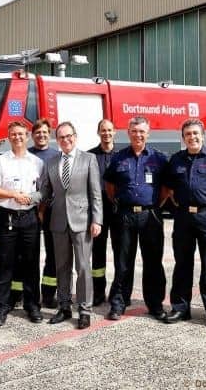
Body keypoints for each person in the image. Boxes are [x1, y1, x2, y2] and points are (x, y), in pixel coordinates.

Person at [161, 118, 206, 330]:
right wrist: (180, 207)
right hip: (184, 217)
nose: (192, 137)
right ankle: (180, 308)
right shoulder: (176, 160)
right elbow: (169, 189)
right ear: (183, 138)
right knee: (182, 263)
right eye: (188, 134)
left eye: (195, 133)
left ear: (203, 136)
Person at [39, 121, 103, 329]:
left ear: (75, 137)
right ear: (56, 140)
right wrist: (27, 197)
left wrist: (97, 220)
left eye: (69, 136)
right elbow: (45, 193)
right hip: (58, 221)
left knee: (83, 267)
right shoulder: (51, 162)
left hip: (82, 222)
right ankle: (64, 307)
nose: (65, 140)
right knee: (61, 267)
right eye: (61, 137)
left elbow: (95, 193)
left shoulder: (89, 159)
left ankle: (84, 309)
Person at [103, 116, 168, 321]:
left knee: (153, 262)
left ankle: (155, 304)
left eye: (142, 131)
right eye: (134, 131)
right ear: (128, 133)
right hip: (125, 215)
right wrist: (123, 203)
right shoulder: (119, 158)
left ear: (148, 134)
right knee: (123, 262)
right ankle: (119, 304)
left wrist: (154, 205)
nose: (138, 135)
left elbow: (166, 188)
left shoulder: (159, 158)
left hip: (150, 216)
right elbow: (110, 187)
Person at [0, 121, 44, 326]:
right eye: (13, 135)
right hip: (7, 217)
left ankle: (32, 305)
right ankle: (0, 308)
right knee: (5, 264)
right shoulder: (0, 162)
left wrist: (33, 200)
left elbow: (43, 191)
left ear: (27, 136)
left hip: (29, 218)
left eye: (21, 134)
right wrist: (12, 194)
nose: (17, 137)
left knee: (31, 264)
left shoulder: (37, 162)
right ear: (8, 138)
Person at [28, 119, 61, 308]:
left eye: (45, 132)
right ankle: (25, 294)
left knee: (53, 254)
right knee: (27, 254)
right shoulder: (26, 155)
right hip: (29, 211)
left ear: (50, 134)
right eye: (38, 132)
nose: (41, 135)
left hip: (50, 210)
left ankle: (48, 295)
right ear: (32, 136)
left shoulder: (57, 156)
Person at [87, 119, 119, 306]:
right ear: (98, 133)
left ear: (114, 132)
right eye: (103, 130)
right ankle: (98, 292)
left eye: (109, 130)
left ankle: (119, 292)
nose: (106, 133)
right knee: (98, 254)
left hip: (118, 212)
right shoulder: (90, 156)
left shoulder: (122, 156)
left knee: (120, 253)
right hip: (97, 213)